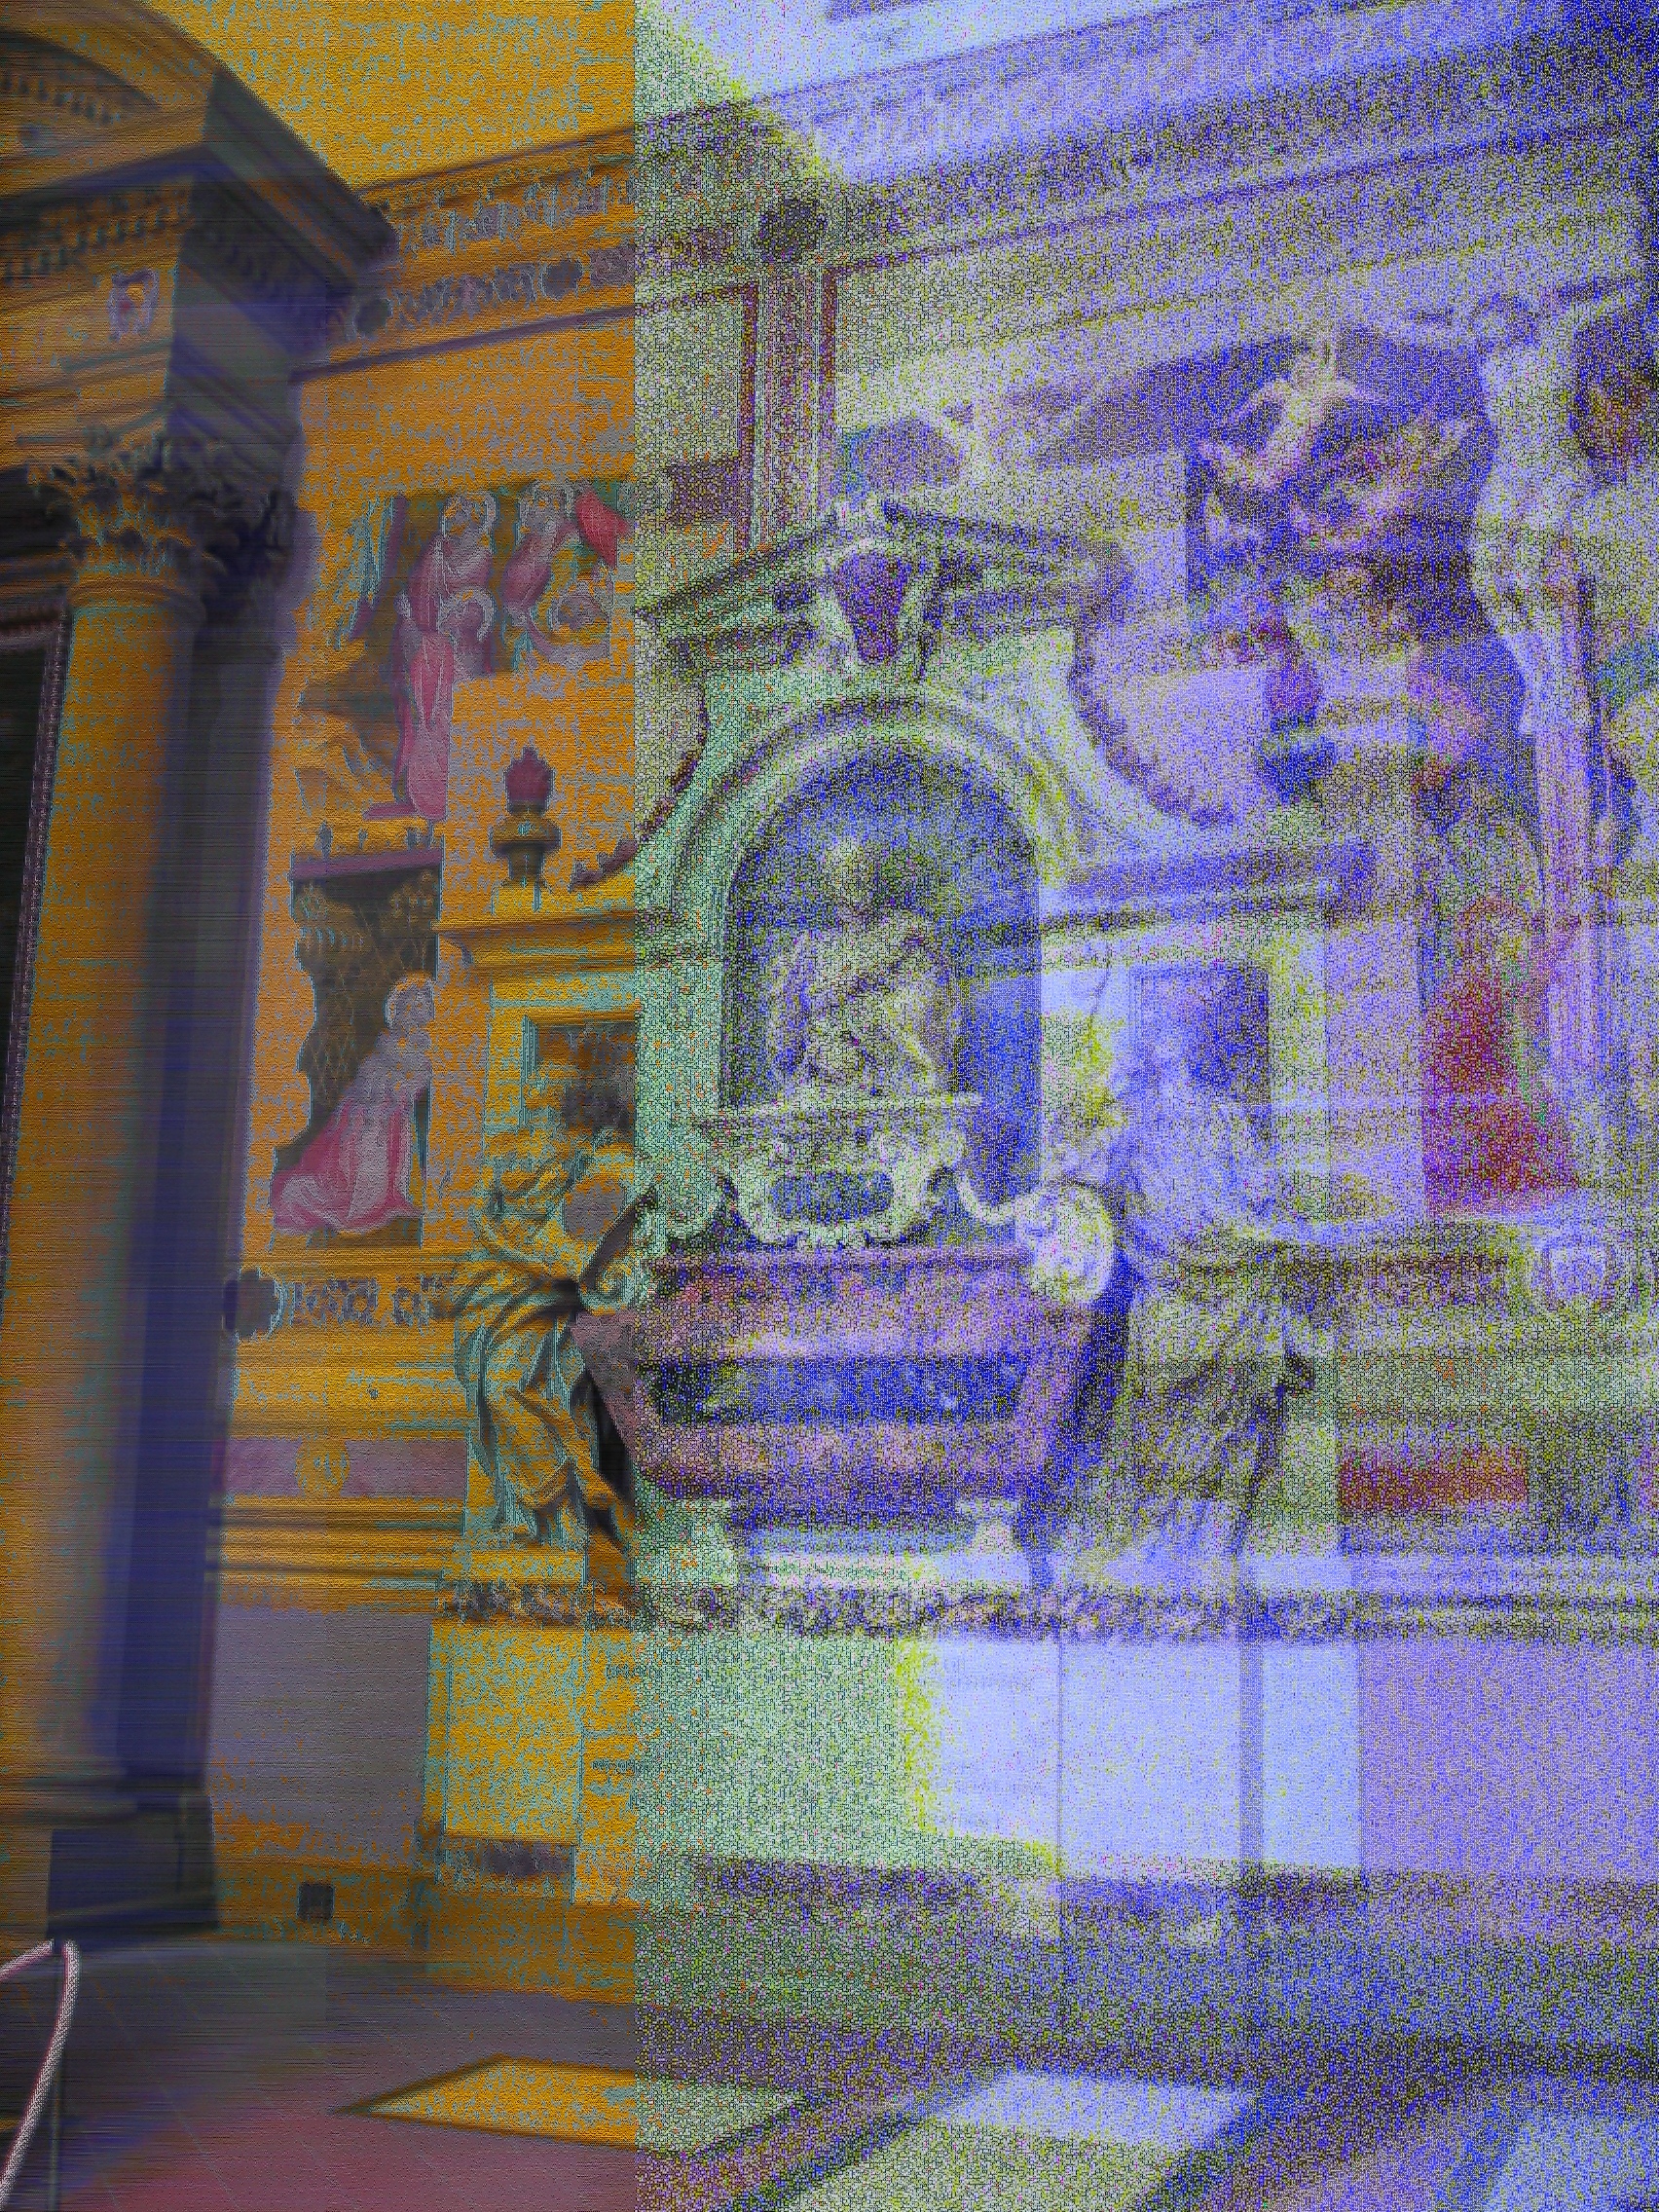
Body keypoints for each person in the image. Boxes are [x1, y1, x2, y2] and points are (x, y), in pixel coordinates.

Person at [1062, 1020, 1291, 1564]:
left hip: (1227, 1288)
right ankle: (1154, 1542)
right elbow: (1075, 1174)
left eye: (1174, 1052)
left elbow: (1261, 1190)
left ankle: (1206, 1542)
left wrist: (1249, 1208)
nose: (1167, 1063)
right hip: (1167, 1293)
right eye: (1157, 1054)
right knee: (1155, 1424)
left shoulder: (1221, 1119)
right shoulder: (1131, 1127)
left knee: (1227, 1416)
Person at [450, 1031, 649, 1553]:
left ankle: (563, 1500)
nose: (540, 1118)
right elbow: (506, 1225)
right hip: (512, 1294)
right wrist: (501, 1242)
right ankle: (552, 1500)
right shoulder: (527, 1157)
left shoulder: (606, 1166)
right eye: (536, 1107)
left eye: (551, 1107)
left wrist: (506, 1244)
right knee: (491, 1375)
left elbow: (561, 1256)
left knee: (506, 1383)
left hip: (552, 1304)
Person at [765, 837, 962, 1101]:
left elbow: (927, 1003)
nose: (857, 878)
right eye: (846, 871)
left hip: (893, 1070)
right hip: (825, 1073)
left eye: (862, 869)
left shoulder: (905, 933)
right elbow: (788, 1027)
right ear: (830, 884)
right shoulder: (811, 949)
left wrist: (866, 1015)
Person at [271, 976, 434, 1237]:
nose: (413, 1014)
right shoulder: (389, 1046)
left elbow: (417, 1079)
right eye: (407, 1008)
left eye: (419, 1007)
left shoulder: (428, 1045)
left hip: (393, 1113)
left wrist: (401, 1090)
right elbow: (375, 1083)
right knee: (364, 1139)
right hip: (368, 1111)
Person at [391, 492, 497, 821]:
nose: (451, 519)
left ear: (475, 518)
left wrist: (428, 616)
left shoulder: (480, 556)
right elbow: (430, 595)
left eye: (459, 513)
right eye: (450, 514)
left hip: (453, 649)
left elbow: (467, 601)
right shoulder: (441, 550)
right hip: (438, 643)